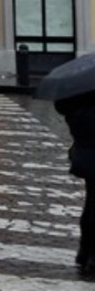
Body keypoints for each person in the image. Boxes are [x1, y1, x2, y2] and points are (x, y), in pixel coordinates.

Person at [55, 91, 95, 275]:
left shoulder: (77, 97)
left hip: (85, 156)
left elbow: (61, 106)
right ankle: (92, 257)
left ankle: (84, 251)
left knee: (91, 204)